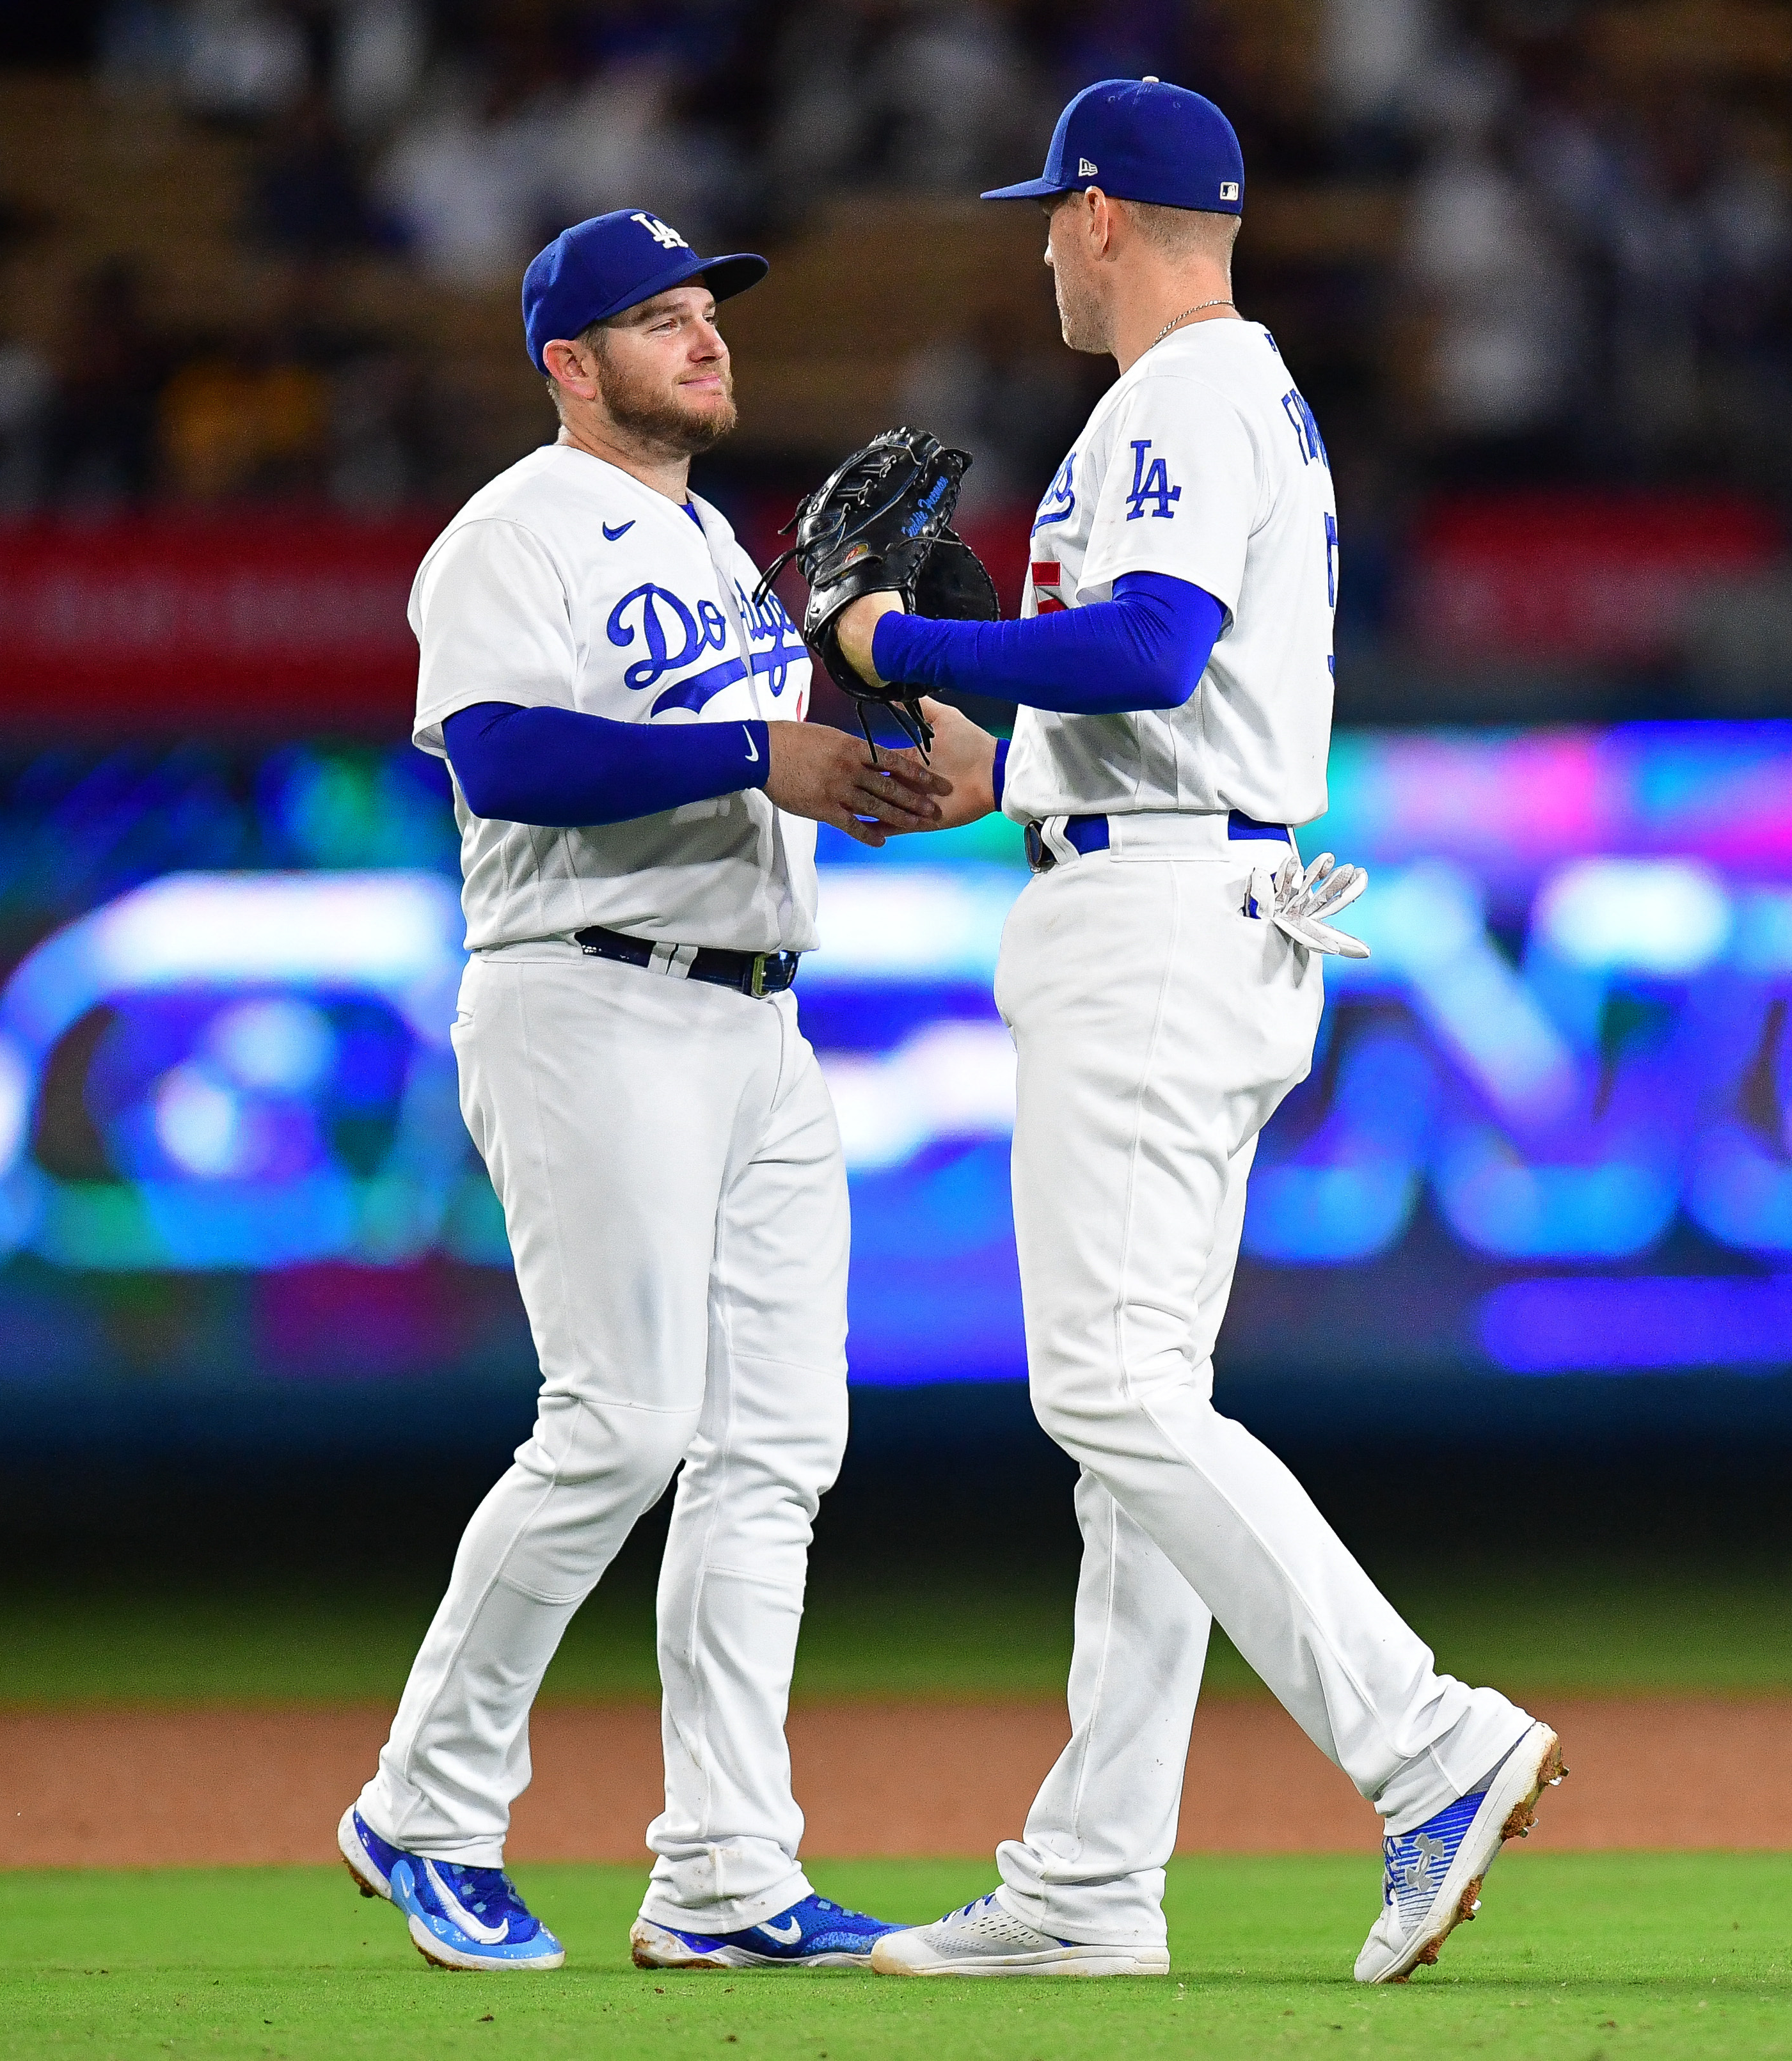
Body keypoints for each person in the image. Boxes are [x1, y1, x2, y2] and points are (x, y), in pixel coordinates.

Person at [819, 79, 1565, 1986]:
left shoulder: (1179, 393)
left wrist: (903, 650)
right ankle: (1087, 1885)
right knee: (1135, 1417)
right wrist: (997, 752)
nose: (1035, 249)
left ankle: (1424, 1741)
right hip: (1185, 883)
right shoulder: (1230, 397)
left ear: (1096, 213)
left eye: (1040, 215)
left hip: (1157, 924)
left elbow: (1149, 646)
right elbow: (1161, 699)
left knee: (1112, 1397)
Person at [337, 206, 946, 1974]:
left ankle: (727, 1878)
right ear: (565, 361)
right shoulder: (509, 535)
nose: (702, 339)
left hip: (760, 1023)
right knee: (617, 1423)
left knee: (773, 1452)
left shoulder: (724, 567)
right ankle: (424, 1811)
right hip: (589, 1000)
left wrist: (908, 703)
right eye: (654, 319)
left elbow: (799, 777)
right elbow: (511, 760)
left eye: (707, 313)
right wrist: (760, 744)